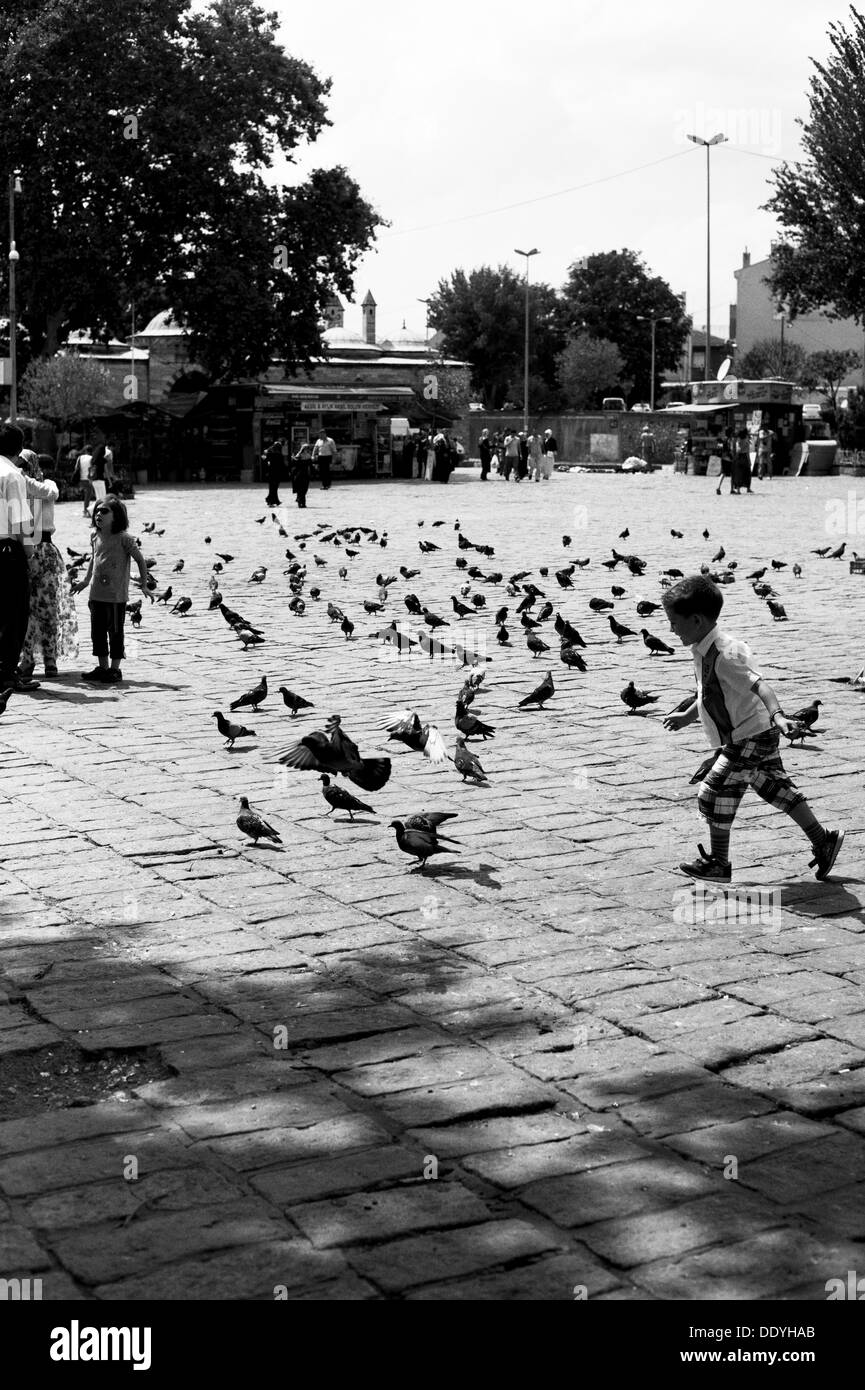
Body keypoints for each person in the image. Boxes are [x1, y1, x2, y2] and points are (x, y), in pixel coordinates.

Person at [662, 574, 844, 883]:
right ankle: (823, 840)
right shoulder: (706, 648)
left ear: (695, 620)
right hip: (752, 733)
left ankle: (719, 863)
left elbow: (760, 686)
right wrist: (688, 716)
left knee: (713, 792)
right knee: (776, 789)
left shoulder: (726, 655)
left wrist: (779, 717)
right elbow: (708, 692)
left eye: (673, 622)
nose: (670, 629)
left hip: (751, 735)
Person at [71, 497, 152, 683]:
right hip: (96, 594)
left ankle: (115, 670)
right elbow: (93, 557)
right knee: (97, 633)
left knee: (115, 633)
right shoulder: (95, 536)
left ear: (117, 516)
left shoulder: (124, 539)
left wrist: (144, 584)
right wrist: (85, 580)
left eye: (104, 511)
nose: (99, 514)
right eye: (97, 511)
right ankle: (103, 667)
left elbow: (140, 560)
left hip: (116, 597)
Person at [0, 422, 56, 692]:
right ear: (20, 448)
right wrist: (29, 553)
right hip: (6, 550)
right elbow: (20, 522)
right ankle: (7, 674)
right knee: (15, 614)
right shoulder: (12, 476)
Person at [16, 452, 79, 680]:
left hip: (42, 549)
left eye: (22, 463)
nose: (18, 467)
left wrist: (24, 479)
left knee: (47, 608)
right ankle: (27, 660)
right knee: (25, 609)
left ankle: (50, 659)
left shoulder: (44, 484)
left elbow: (51, 493)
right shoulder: (15, 485)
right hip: (23, 548)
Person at [263, 437, 286, 507]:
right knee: (274, 488)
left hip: (271, 473)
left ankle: (275, 500)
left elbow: (263, 458)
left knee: (272, 488)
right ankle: (270, 500)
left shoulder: (270, 454)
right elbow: (282, 465)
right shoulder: (279, 455)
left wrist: (267, 451)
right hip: (277, 473)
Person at [74, 444, 95, 516]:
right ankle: (86, 511)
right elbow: (92, 469)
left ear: (85, 451)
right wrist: (91, 478)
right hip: (89, 479)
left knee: (87, 495)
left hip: (81, 479)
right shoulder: (92, 458)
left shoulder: (80, 457)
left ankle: (86, 510)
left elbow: (76, 467)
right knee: (88, 495)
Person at [290, 442, 311, 508]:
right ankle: (301, 503)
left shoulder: (308, 456)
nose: (307, 450)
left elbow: (310, 465)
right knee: (300, 489)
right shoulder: (298, 455)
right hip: (299, 474)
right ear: (303, 449)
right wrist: (295, 459)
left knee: (305, 489)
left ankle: (301, 501)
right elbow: (294, 465)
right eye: (306, 448)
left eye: (308, 449)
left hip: (306, 474)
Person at [732, 428, 753, 494]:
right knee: (747, 473)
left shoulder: (738, 441)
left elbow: (737, 450)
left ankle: (738, 490)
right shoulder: (747, 441)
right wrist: (749, 461)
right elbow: (747, 452)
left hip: (738, 457)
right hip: (745, 457)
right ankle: (748, 488)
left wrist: (735, 457)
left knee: (738, 473)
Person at [716, 427, 735, 496]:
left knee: (723, 473)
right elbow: (730, 449)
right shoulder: (730, 440)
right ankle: (732, 489)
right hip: (729, 458)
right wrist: (732, 457)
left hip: (723, 458)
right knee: (733, 474)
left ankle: (718, 487)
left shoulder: (723, 439)